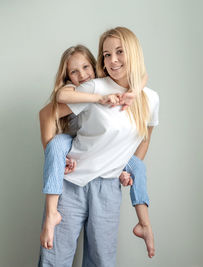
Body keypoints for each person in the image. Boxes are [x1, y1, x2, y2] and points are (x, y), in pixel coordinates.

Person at [38, 27, 159, 266]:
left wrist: (128, 168)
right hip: (71, 184)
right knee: (55, 259)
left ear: (132, 52)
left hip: (108, 188)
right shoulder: (94, 87)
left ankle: (145, 225)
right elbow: (47, 114)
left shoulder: (150, 98)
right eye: (106, 54)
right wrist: (55, 157)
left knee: (102, 261)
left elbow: (145, 137)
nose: (112, 60)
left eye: (119, 52)